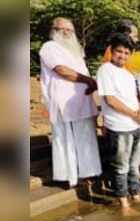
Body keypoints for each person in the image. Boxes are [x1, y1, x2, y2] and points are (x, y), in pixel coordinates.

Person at [39, 17, 101, 187]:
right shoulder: (49, 47)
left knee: (86, 137)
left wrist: (90, 84)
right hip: (63, 103)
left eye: (70, 30)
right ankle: (70, 177)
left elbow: (83, 74)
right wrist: (88, 81)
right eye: (62, 29)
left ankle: (89, 173)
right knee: (66, 139)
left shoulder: (76, 52)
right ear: (54, 30)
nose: (66, 32)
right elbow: (61, 70)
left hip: (82, 102)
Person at [96, 33, 140, 215]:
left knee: (134, 165)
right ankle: (123, 203)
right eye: (119, 51)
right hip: (119, 126)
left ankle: (136, 194)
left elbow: (135, 98)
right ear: (111, 51)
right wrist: (134, 114)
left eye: (126, 53)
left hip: (135, 125)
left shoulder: (128, 73)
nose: (122, 56)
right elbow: (110, 99)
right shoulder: (105, 70)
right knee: (121, 166)